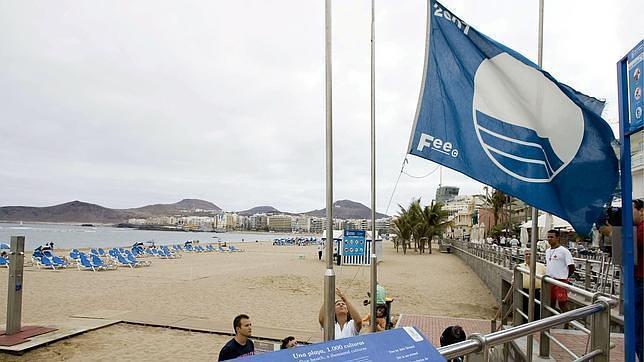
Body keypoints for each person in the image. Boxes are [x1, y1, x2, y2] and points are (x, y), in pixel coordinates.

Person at [545, 230, 575, 314]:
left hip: (560, 281)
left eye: (552, 237)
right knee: (551, 303)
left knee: (562, 304)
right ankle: (551, 322)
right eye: (548, 237)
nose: (549, 239)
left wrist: (565, 277)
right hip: (550, 281)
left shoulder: (564, 251)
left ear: (557, 238)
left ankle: (566, 324)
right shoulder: (547, 251)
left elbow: (572, 267)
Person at [519, 249, 546, 320]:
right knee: (524, 309)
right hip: (523, 291)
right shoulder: (519, 266)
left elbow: (546, 277)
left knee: (537, 309)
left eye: (530, 254)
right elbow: (514, 279)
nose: (528, 256)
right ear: (524, 256)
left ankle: (535, 326)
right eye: (526, 254)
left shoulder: (542, 266)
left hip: (537, 291)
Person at [633, 199, 643, 361]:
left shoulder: (641, 229)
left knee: (639, 328)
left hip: (641, 282)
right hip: (638, 280)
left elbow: (633, 244)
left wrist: (613, 233)